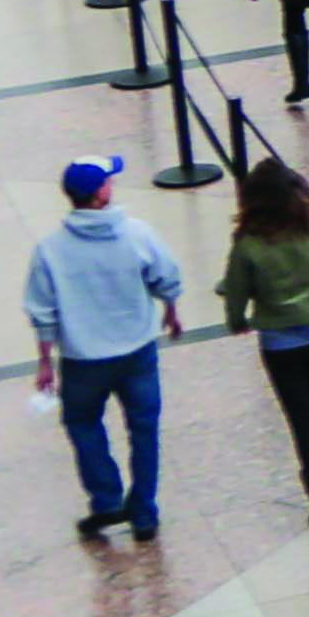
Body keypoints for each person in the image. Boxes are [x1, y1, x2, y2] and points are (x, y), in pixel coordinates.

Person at [23, 157, 191, 546]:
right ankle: (144, 513)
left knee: (83, 424)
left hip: (83, 360)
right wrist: (171, 309)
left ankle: (106, 499)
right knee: (144, 430)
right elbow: (165, 276)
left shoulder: (50, 250)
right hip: (137, 353)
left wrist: (45, 362)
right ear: (100, 192)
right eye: (108, 181)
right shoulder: (137, 234)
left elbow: (42, 310)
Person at [213, 155, 309, 531]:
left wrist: (236, 321)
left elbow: (236, 289)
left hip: (281, 343)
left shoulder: (249, 241)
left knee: (302, 417)